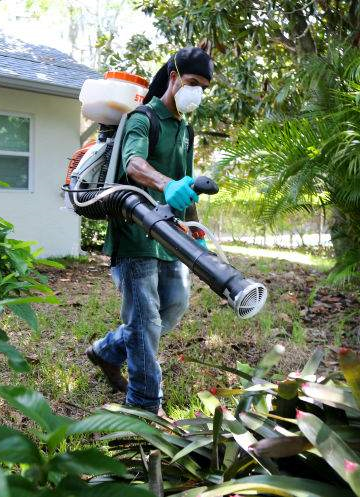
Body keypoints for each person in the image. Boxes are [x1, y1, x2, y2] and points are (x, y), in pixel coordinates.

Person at [85, 46, 213, 414]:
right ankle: (144, 405)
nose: (196, 92)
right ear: (173, 78)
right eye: (191, 82)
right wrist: (164, 183)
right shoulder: (144, 118)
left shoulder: (186, 129)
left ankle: (106, 351)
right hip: (135, 232)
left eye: (203, 87)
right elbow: (134, 163)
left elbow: (185, 185)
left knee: (173, 306)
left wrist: (195, 225)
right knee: (144, 321)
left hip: (171, 236)